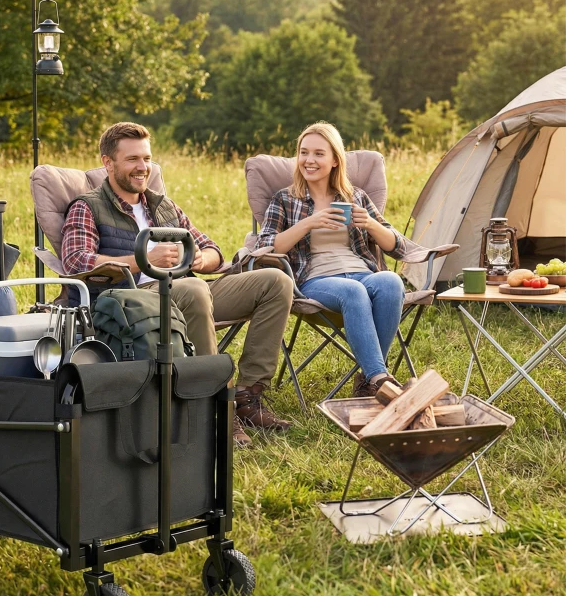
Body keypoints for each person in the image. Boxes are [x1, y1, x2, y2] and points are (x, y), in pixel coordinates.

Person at [61, 121, 295, 447]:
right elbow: (76, 261)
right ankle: (216, 407)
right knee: (194, 289)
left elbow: (212, 249)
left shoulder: (163, 205)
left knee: (276, 281)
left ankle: (247, 397)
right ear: (108, 163)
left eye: (146, 158)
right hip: (133, 300)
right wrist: (144, 258)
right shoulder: (88, 206)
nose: (142, 167)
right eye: (132, 159)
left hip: (187, 291)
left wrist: (201, 259)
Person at [255, 121, 417, 397]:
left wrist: (370, 224)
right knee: (353, 291)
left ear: (334, 160)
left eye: (319, 153)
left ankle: (370, 381)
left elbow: (398, 247)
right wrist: (308, 223)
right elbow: (265, 246)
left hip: (362, 273)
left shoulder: (355, 197)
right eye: (304, 152)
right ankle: (379, 379)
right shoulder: (284, 199)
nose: (309, 160)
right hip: (315, 280)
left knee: (391, 282)